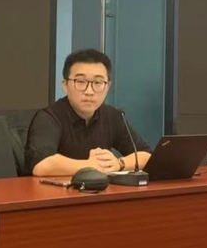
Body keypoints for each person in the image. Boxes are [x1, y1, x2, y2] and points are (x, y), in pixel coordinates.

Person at [25, 48, 151, 177]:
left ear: (107, 86)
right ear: (65, 85)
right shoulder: (48, 117)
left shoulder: (113, 116)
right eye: (80, 82)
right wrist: (91, 165)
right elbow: (42, 165)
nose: (89, 91)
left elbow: (146, 155)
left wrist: (119, 164)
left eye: (98, 83)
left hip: (100, 189)